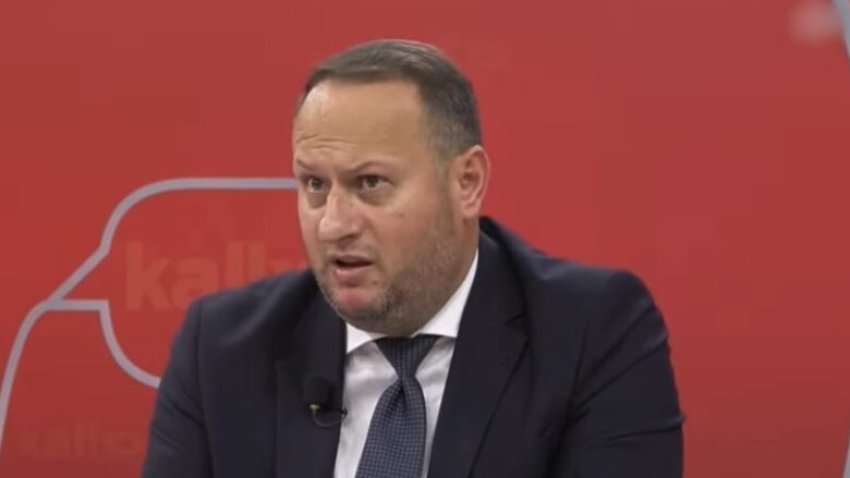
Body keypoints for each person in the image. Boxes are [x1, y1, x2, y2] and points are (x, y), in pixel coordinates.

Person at [141, 39, 684, 478]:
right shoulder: (223, 348)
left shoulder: (590, 332)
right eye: (314, 185)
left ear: (466, 183)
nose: (332, 224)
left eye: (370, 183)